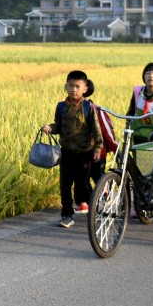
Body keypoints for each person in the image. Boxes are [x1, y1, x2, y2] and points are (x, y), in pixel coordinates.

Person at [42, 71, 104, 228]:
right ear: (65, 87)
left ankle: (96, 207)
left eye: (77, 86)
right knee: (65, 184)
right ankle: (67, 215)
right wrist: (51, 127)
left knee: (82, 186)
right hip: (67, 152)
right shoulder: (61, 107)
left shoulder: (89, 107)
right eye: (71, 86)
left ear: (85, 88)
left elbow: (96, 130)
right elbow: (59, 125)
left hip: (85, 153)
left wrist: (98, 147)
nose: (73, 89)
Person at [126, 62, 153, 139]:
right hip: (137, 134)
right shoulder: (137, 92)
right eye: (147, 73)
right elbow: (131, 112)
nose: (151, 76)